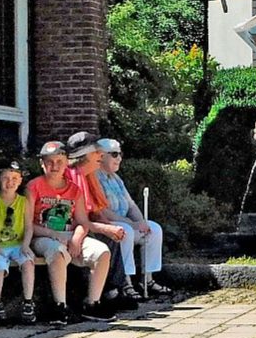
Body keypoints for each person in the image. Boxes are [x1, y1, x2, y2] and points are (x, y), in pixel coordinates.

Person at [27, 141, 113, 324]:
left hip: (69, 236)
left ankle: (92, 303)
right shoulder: (33, 186)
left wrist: (76, 239)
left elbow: (83, 222)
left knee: (102, 252)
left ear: (67, 162)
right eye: (49, 162)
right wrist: (53, 234)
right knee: (57, 252)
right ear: (42, 163)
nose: (54, 166)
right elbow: (27, 224)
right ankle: (59, 306)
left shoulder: (74, 189)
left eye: (59, 161)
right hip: (42, 236)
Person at [64, 132, 135, 311]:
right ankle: (102, 295)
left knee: (113, 235)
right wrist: (104, 229)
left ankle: (113, 291)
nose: (101, 155)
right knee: (105, 237)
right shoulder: (71, 177)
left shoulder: (88, 176)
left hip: (84, 226)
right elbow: (77, 219)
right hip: (70, 230)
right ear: (84, 155)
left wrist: (109, 226)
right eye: (96, 152)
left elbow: (95, 210)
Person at [96, 138, 170, 297]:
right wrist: (131, 223)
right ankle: (125, 283)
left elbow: (130, 205)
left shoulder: (116, 179)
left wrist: (141, 222)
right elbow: (102, 211)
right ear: (101, 156)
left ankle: (147, 280)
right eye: (114, 154)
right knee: (126, 231)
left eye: (120, 154)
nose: (119, 158)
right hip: (108, 225)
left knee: (154, 229)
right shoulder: (95, 179)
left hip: (126, 223)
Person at [0, 161, 37, 325]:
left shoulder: (23, 202)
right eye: (6, 178)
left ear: (20, 181)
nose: (10, 182)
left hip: (18, 244)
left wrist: (26, 245)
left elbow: (28, 227)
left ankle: (28, 301)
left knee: (28, 262)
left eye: (15, 178)